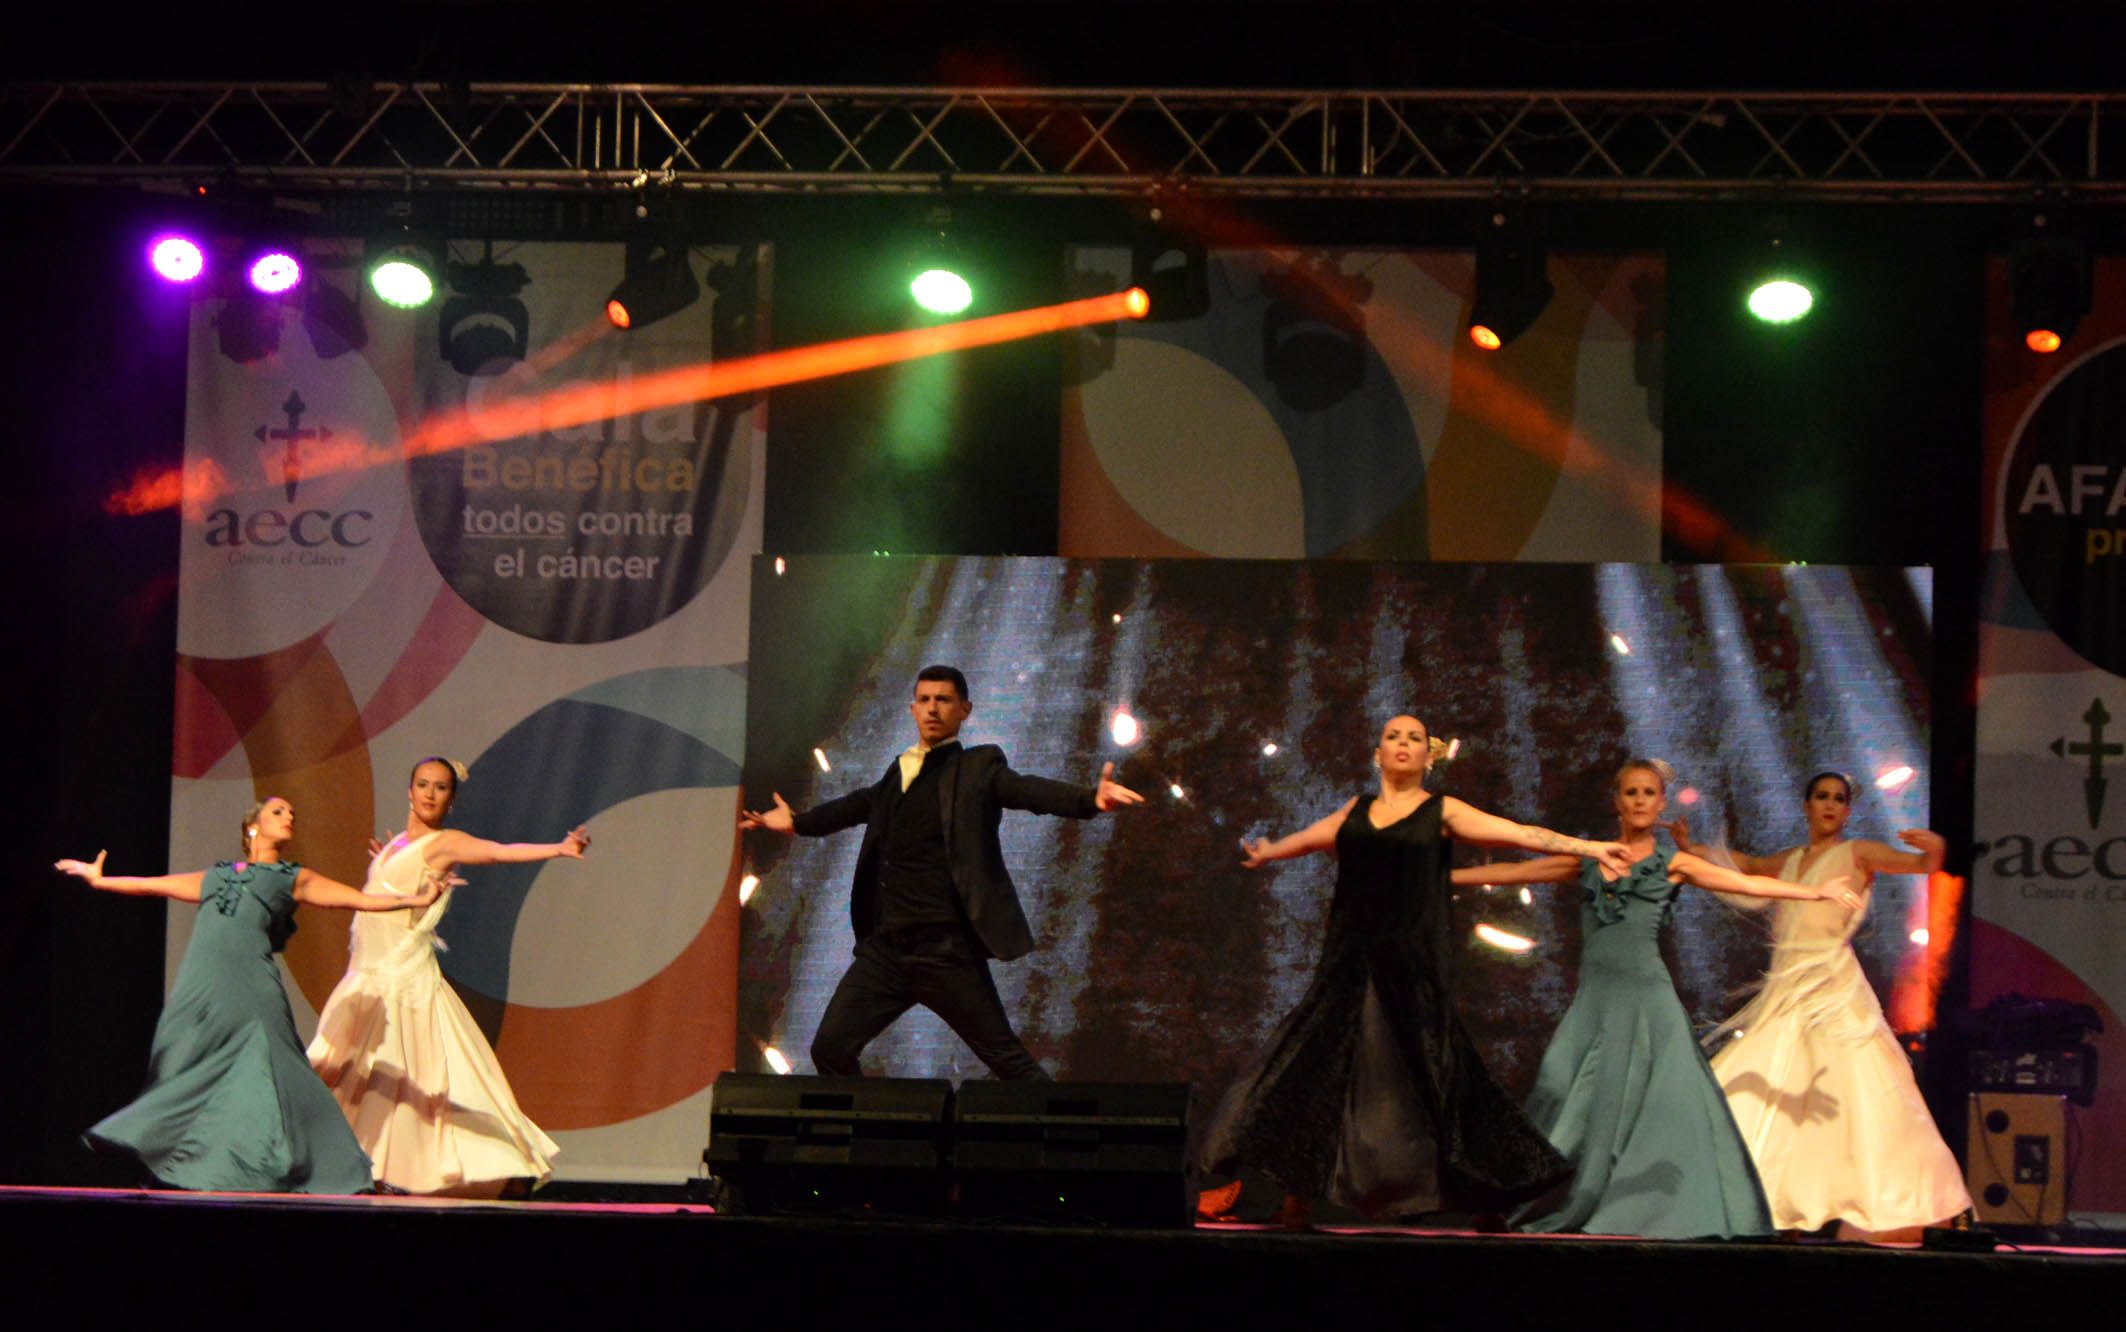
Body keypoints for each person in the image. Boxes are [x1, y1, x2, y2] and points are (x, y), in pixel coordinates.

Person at [1195, 715, 1635, 1223]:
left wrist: (1591, 847)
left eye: (1415, 739)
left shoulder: (1441, 811)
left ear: (1430, 757)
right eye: (1393, 737)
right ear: (1378, 754)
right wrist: (1269, 851)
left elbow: (1520, 834)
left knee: (1436, 1074)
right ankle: (1295, 1197)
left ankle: (1486, 1195)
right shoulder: (1354, 811)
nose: (1403, 744)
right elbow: (1305, 840)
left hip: (1414, 964)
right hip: (1349, 962)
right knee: (1316, 1067)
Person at [1457, 759, 1860, 1239]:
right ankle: (1521, 1199)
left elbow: (1748, 883)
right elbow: (1517, 870)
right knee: (1557, 1087)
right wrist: (1437, 878)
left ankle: (1655, 1204)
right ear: (1618, 802)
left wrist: (1817, 893)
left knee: (1663, 1104)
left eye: (1649, 793)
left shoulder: (1673, 864)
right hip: (1596, 1001)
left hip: (1649, 1000)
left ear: (1661, 803)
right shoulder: (1588, 860)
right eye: (1631, 793)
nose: (1641, 800)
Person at [740, 664, 1143, 1080]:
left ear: (964, 710)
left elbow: (1025, 790)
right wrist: (797, 822)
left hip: (946, 954)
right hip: (888, 953)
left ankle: (1066, 1139)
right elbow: (853, 806)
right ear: (912, 709)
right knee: (830, 1049)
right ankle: (883, 1142)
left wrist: (1089, 800)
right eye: (925, 700)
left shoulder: (978, 768)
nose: (933, 709)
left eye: (944, 700)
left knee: (1009, 1061)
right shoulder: (898, 773)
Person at [56, 796, 447, 1193]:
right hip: (203, 984)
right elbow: (153, 886)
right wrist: (101, 880)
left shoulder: (293, 876)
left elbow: (359, 900)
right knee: (187, 1065)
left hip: (253, 985)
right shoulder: (218, 875)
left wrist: (417, 900)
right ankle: (168, 1160)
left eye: (292, 813)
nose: (289, 817)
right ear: (252, 827)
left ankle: (348, 1175)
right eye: (278, 811)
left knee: (286, 1071)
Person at [1687, 770, 1971, 1239]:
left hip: (1832, 986)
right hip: (1788, 989)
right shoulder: (1795, 858)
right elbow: (1753, 866)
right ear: (1806, 805)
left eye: (1839, 799)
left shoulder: (1858, 852)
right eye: (1821, 797)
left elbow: (1922, 865)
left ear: (1847, 809)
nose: (1830, 806)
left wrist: (1935, 847)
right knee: (1763, 1087)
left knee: (1853, 1090)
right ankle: (1771, 1201)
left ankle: (1871, 1198)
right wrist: (1694, 850)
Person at [305, 757, 587, 1196]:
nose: (430, 794)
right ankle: (353, 1166)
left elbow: (496, 851)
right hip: (368, 979)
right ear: (409, 791)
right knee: (354, 1074)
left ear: (451, 798)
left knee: (404, 1079)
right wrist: (388, 865)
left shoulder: (444, 843)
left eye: (440, 787)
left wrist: (557, 848)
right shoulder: (397, 843)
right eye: (423, 784)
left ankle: (406, 1171)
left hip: (402, 983)